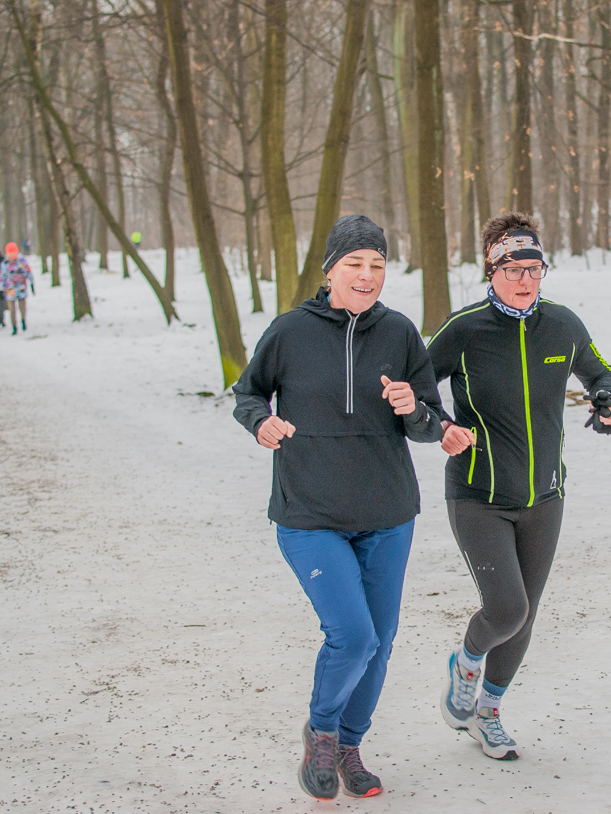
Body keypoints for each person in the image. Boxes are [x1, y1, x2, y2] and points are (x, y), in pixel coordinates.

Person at [232, 214, 445, 801]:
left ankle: (351, 743)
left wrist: (413, 410)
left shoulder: (400, 333)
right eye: (355, 263)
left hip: (388, 512)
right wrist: (261, 422)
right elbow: (247, 392)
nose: (367, 275)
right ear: (330, 272)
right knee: (352, 635)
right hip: (310, 512)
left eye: (377, 264)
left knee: (381, 636)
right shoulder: (290, 331)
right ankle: (321, 732)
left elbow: (432, 423)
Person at [427, 213, 611, 761]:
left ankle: (487, 712)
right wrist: (442, 427)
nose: (524, 279)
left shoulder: (561, 325)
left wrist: (606, 400)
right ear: (490, 270)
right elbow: (419, 383)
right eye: (513, 268)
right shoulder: (464, 329)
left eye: (534, 268)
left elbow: (597, 369)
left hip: (546, 496)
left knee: (526, 616)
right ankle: (466, 664)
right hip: (478, 494)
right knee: (507, 608)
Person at [0, 242, 34, 334]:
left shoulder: (22, 260)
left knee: (22, 307)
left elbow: (28, 271)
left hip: (21, 286)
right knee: (12, 309)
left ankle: (23, 320)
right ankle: (14, 326)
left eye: (14, 253)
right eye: (10, 253)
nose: (12, 255)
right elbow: (2, 276)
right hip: (10, 288)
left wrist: (31, 283)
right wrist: (1, 288)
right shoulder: (5, 263)